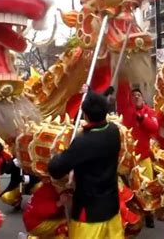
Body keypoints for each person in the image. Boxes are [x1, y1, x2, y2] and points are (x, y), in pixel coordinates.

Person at [48, 89, 123, 238]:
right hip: (112, 209)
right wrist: (89, 92)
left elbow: (55, 169)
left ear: (85, 115)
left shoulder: (83, 142)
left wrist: (58, 154)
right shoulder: (113, 131)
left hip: (89, 215)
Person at [116, 84, 158, 228]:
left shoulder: (150, 112)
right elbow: (122, 95)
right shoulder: (126, 111)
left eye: (138, 95)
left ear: (143, 98)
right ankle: (131, 217)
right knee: (128, 190)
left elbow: (154, 128)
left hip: (144, 157)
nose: (136, 97)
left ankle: (149, 214)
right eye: (133, 96)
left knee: (146, 188)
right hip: (128, 160)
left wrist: (142, 118)